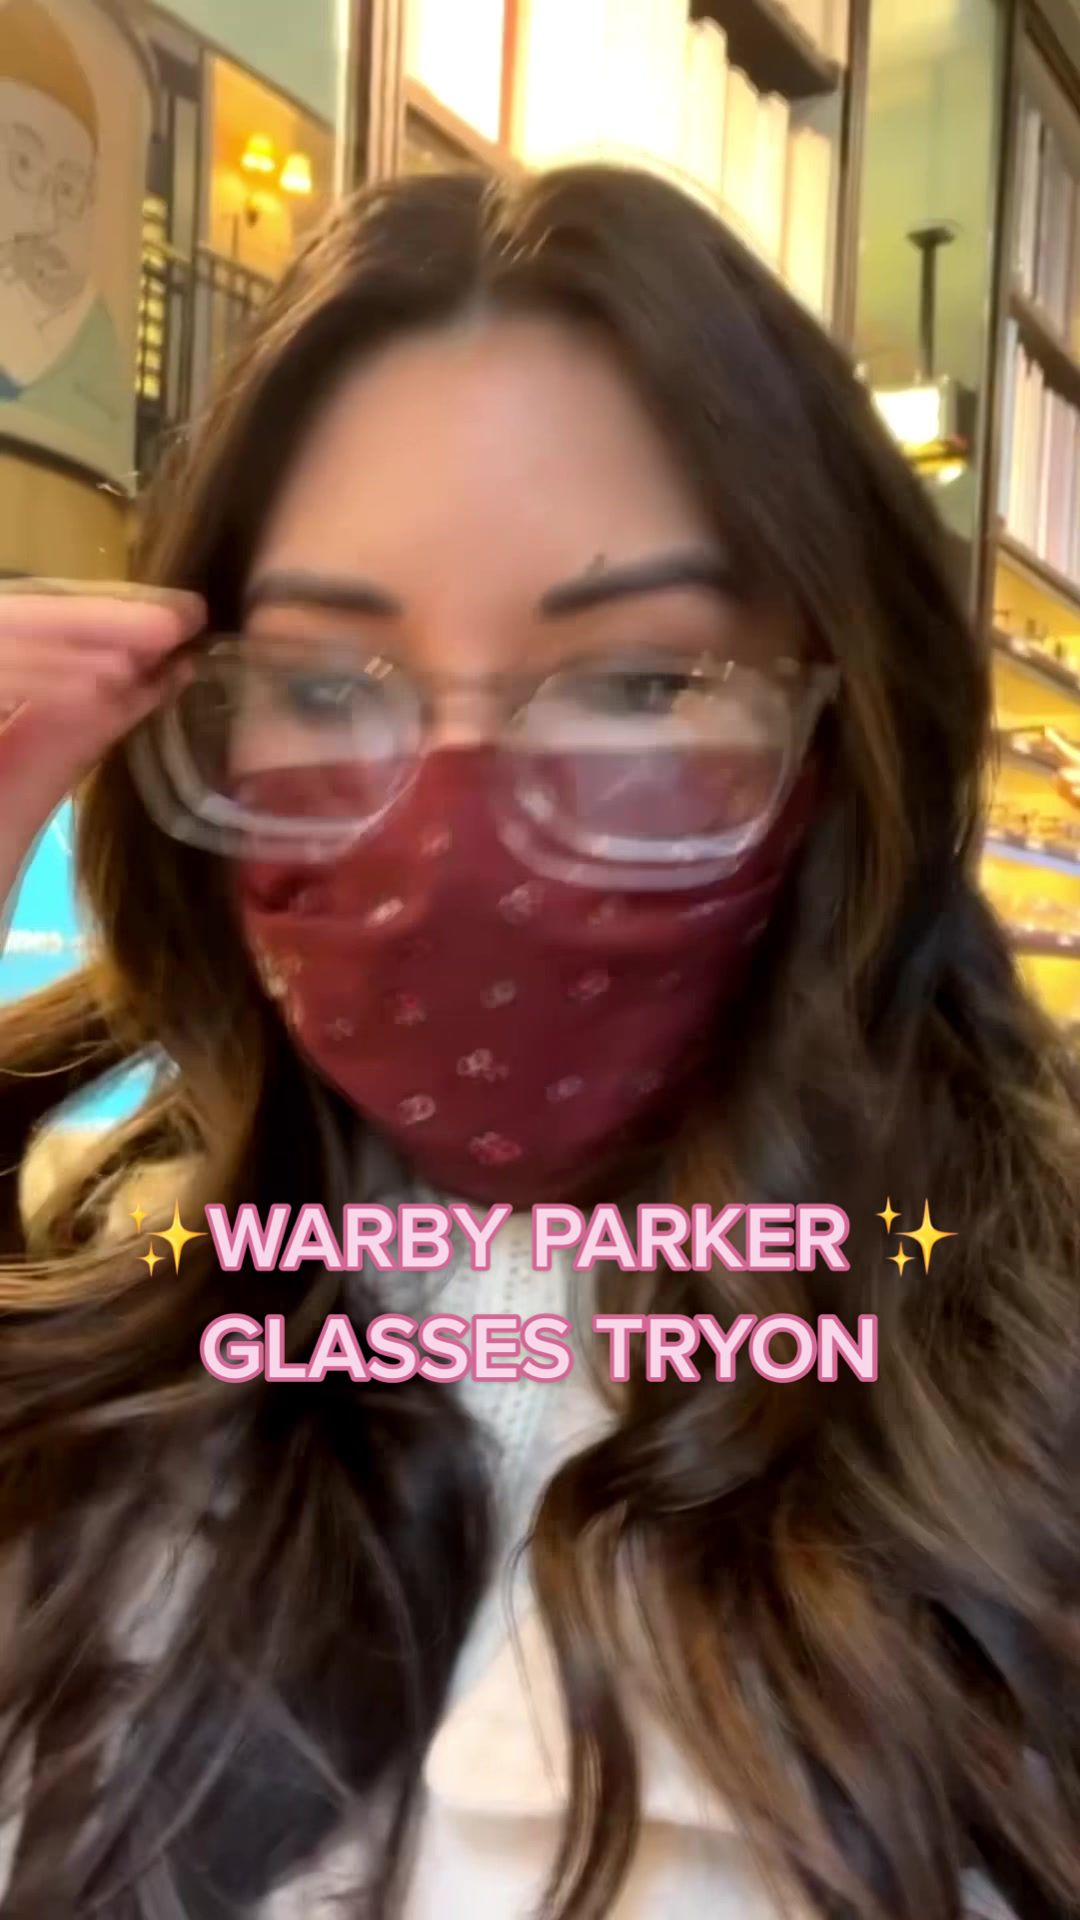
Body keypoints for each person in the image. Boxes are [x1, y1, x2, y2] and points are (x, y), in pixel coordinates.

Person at [0, 164, 1076, 1920]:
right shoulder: (92, 1344)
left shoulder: (1022, 1418)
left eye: (642, 683)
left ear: (841, 735)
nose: (457, 828)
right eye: (325, 687)